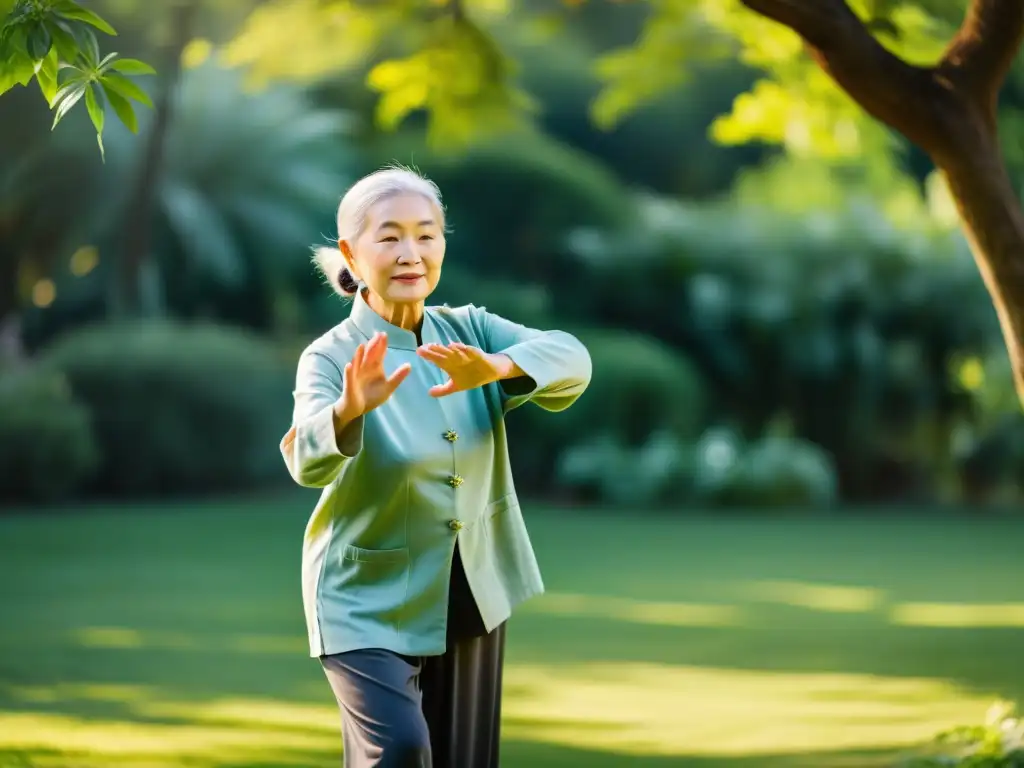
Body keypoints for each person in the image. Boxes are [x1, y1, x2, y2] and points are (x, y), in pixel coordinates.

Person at [279, 165, 592, 768]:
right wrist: (350, 406)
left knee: (461, 758)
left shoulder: (469, 329)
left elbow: (573, 356)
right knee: (398, 750)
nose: (410, 253)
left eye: (426, 235)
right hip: (362, 598)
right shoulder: (330, 355)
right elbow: (305, 459)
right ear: (351, 252)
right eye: (390, 236)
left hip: (469, 586)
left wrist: (497, 369)